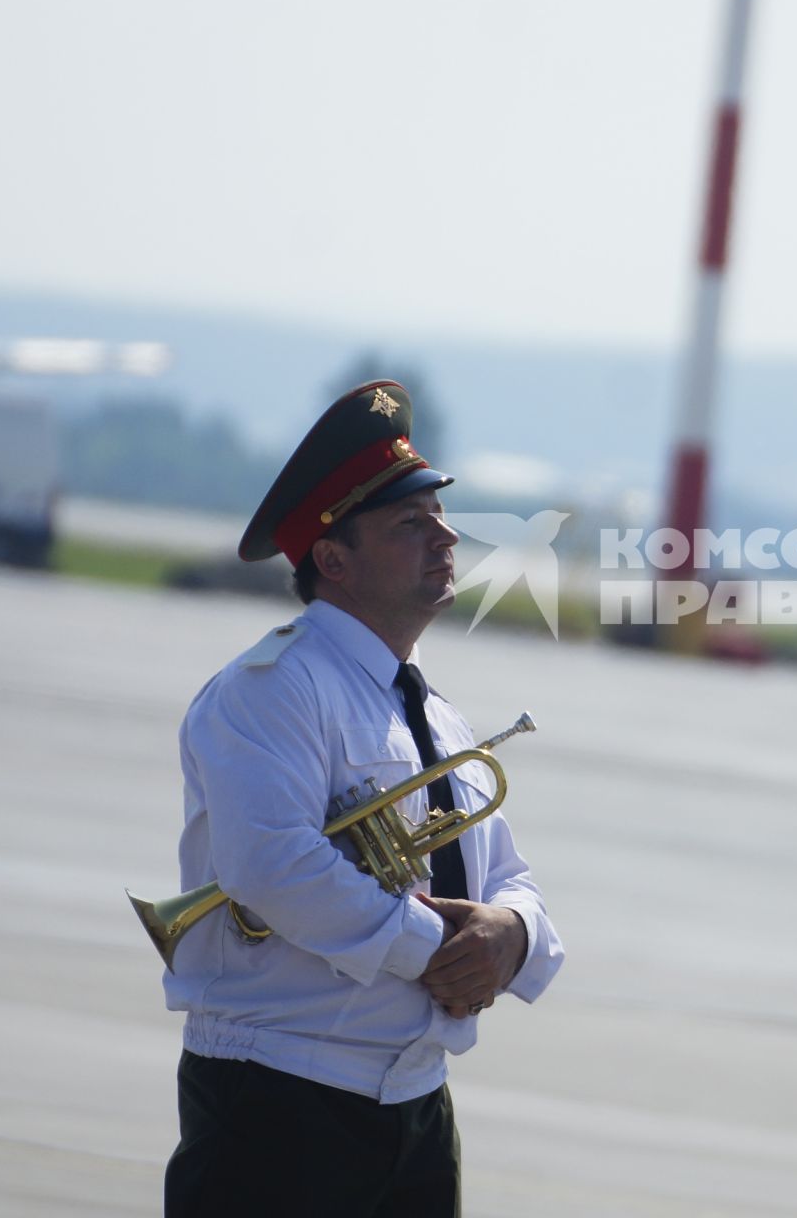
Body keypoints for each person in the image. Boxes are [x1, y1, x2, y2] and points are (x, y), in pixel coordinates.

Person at [160, 379, 565, 1217]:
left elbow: (509, 873)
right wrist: (436, 950)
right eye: (410, 525)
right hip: (280, 1100)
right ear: (333, 559)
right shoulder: (271, 690)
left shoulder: (434, 714)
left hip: (414, 1106)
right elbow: (272, 867)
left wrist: (510, 936)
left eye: (441, 518)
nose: (446, 537)